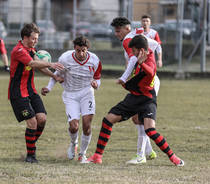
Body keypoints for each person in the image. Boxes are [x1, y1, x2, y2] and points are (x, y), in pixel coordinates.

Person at [87, 35, 184, 167]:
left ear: (141, 50)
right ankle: (97, 156)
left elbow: (150, 73)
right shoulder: (137, 58)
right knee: (108, 120)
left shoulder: (149, 60)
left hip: (147, 99)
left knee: (150, 130)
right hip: (134, 98)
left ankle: (173, 157)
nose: (132, 53)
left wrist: (141, 63)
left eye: (134, 50)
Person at [8, 23, 64, 163]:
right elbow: (33, 64)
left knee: (42, 119)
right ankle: (30, 156)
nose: (36, 41)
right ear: (25, 37)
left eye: (37, 38)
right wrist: (51, 64)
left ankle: (31, 144)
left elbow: (40, 66)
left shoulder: (32, 49)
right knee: (32, 122)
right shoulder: (18, 50)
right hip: (18, 94)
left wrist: (54, 76)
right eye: (33, 38)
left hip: (31, 91)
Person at [41, 36, 102, 163]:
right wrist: (48, 88)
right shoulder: (65, 58)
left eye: (83, 50)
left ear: (87, 49)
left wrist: (97, 84)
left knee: (86, 125)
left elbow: (97, 77)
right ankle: (73, 143)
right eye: (78, 50)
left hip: (87, 93)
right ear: (74, 48)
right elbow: (56, 75)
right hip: (70, 95)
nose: (81, 53)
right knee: (74, 126)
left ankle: (82, 154)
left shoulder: (95, 60)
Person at [110, 17, 159, 164]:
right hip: (148, 79)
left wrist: (124, 78)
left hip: (147, 82)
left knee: (142, 118)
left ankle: (141, 155)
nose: (116, 34)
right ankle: (148, 152)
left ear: (127, 29)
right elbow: (155, 44)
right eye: (115, 31)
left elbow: (133, 60)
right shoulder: (136, 36)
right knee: (137, 118)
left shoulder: (127, 40)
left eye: (118, 31)